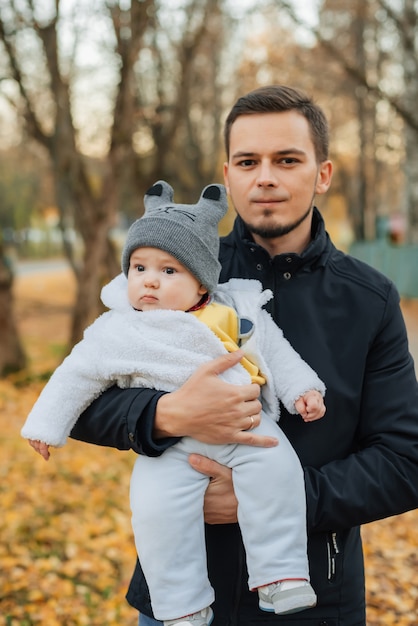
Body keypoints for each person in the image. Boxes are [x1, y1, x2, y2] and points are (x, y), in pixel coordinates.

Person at [70, 85, 418, 626]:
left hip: (313, 599)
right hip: (178, 596)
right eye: (248, 161)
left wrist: (278, 495)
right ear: (227, 175)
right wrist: (161, 416)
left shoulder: (368, 299)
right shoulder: (165, 272)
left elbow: (405, 460)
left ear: (322, 174)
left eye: (287, 160)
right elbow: (84, 393)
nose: (266, 177)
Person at [22, 179, 327, 625]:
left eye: (169, 271)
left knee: (280, 472)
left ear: (202, 281)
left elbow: (276, 352)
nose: (149, 281)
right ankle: (182, 605)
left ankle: (280, 575)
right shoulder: (119, 329)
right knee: (155, 512)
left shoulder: (234, 309)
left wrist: (303, 390)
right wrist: (45, 424)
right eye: (139, 267)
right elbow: (76, 374)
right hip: (170, 446)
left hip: (247, 427)